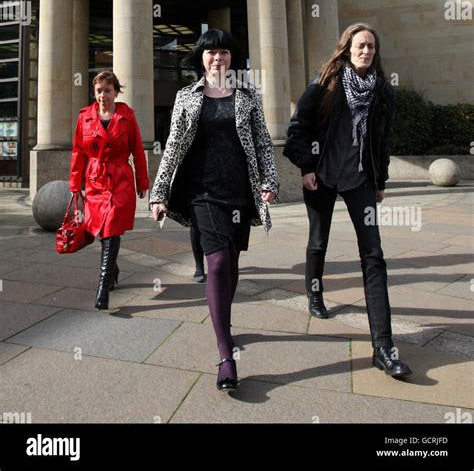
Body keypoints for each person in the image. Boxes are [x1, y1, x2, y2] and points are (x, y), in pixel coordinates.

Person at [149, 28, 279, 391]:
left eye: (223, 52)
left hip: (239, 193)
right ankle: (225, 354)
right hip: (201, 193)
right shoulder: (186, 97)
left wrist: (270, 182)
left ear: (231, 59)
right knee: (218, 263)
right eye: (210, 53)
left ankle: (224, 321)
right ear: (201, 59)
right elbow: (173, 144)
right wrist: (159, 193)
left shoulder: (248, 96)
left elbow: (263, 142)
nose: (217, 58)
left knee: (232, 263)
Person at [283, 23, 412, 378]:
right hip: (322, 176)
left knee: (374, 255)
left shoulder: (382, 91)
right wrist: (307, 168)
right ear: (347, 48)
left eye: (371, 46)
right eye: (360, 45)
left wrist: (380, 182)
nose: (366, 51)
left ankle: (383, 347)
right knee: (318, 240)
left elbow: (382, 141)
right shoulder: (325, 82)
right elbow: (298, 129)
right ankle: (314, 292)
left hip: (360, 181)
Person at [69, 70, 149, 310]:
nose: (102, 95)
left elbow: (137, 150)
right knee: (101, 231)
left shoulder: (127, 116)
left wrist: (142, 183)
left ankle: (102, 289)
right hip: (94, 181)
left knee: (111, 227)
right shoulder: (85, 116)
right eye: (98, 91)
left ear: (116, 92)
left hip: (119, 180)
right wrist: (75, 185)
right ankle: (113, 269)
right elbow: (78, 152)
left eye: (107, 90)